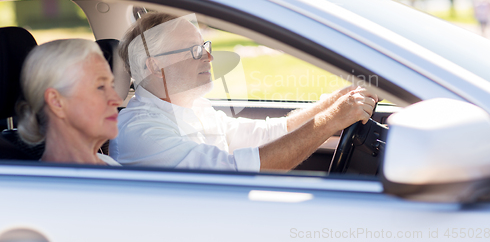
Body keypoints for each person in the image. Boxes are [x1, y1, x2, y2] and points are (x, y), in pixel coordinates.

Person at [110, 12, 377, 171]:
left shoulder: (193, 108)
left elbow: (270, 133)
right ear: (155, 66)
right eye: (194, 51)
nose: (209, 57)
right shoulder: (141, 132)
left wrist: (340, 99)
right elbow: (240, 172)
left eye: (205, 46)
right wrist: (333, 118)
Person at [17, 39, 123, 165]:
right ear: (56, 102)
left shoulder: (109, 164)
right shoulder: (42, 183)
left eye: (112, 85)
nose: (117, 100)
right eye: (100, 87)